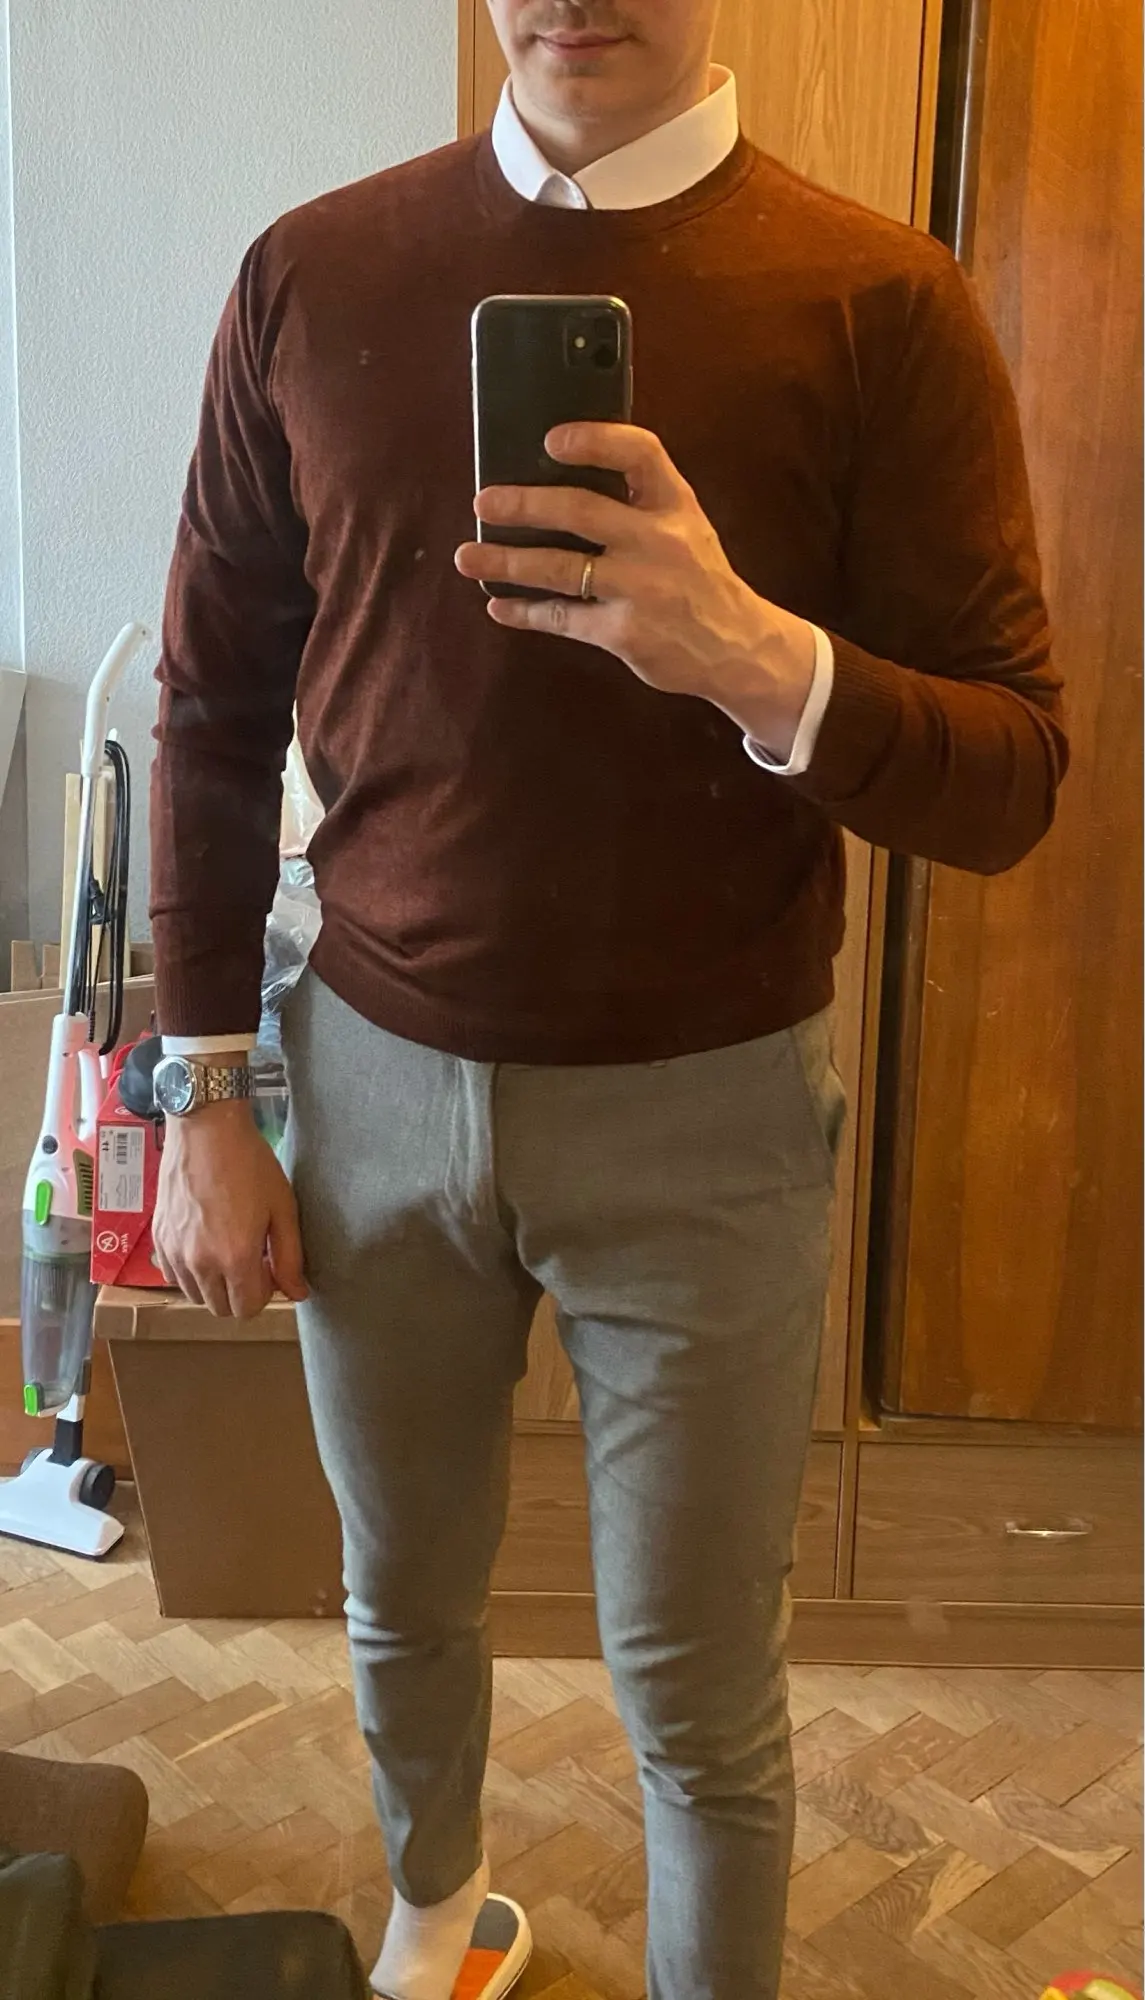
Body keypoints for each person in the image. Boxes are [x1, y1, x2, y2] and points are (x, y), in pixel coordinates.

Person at [149, 3, 1067, 1997]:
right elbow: (210, 704)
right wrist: (198, 1089)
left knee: (698, 1678)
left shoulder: (880, 303)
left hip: (709, 1110)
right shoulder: (312, 273)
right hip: (367, 1074)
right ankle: (433, 1917)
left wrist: (754, 657)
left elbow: (1013, 775)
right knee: (398, 1592)